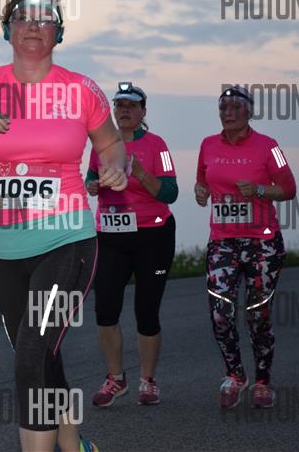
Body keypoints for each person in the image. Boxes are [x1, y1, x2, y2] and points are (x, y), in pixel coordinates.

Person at [0, 0, 127, 452]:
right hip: (4, 247)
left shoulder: (82, 90)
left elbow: (110, 142)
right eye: (23, 17)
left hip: (67, 238)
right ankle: (75, 445)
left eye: (45, 18)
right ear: (7, 30)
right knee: (42, 354)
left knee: (31, 353)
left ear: (58, 32)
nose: (34, 25)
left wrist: (115, 164)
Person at [194, 85, 296, 409]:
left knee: (257, 314)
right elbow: (202, 182)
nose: (228, 113)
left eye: (235, 107)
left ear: (249, 112)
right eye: (223, 108)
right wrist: (200, 193)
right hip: (223, 241)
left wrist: (260, 190)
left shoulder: (269, 146)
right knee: (220, 313)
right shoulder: (208, 145)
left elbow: (289, 188)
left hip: (262, 242)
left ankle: (263, 380)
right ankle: (235, 375)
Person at [85, 83, 178, 407]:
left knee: (146, 310)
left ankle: (147, 381)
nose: (124, 110)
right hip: (111, 237)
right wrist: (92, 186)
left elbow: (170, 193)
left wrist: (140, 172)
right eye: (120, 105)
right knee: (105, 307)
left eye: (131, 105)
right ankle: (116, 379)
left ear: (143, 112)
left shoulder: (157, 145)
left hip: (153, 237)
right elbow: (90, 178)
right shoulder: (100, 144)